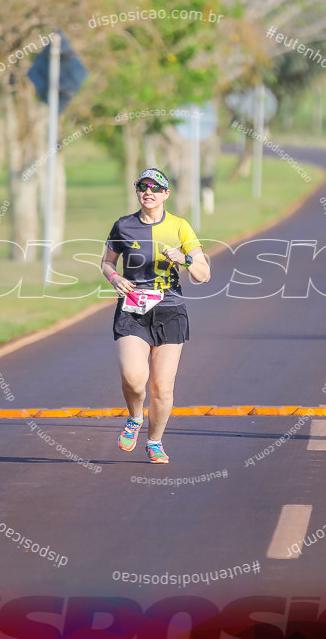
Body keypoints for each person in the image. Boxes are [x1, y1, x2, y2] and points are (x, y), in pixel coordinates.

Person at [101, 168, 210, 464]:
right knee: (134, 378)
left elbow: (204, 275)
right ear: (137, 191)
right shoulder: (122, 226)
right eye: (143, 186)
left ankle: (155, 441)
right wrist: (114, 279)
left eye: (155, 187)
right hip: (133, 310)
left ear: (166, 194)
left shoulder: (180, 226)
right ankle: (135, 418)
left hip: (170, 311)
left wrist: (185, 259)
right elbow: (107, 263)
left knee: (162, 387)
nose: (148, 192)